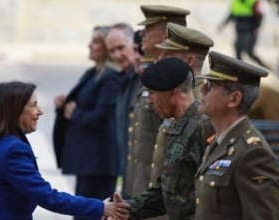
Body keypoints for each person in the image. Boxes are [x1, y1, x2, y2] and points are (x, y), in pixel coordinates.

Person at [0, 81, 130, 220]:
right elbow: (47, 196)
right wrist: (99, 208)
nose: (40, 111)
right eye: (33, 105)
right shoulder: (12, 149)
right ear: (15, 111)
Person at [115, 57, 215, 220]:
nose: (150, 100)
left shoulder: (203, 127)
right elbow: (166, 191)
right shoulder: (177, 127)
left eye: (153, 93)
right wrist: (130, 208)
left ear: (172, 93)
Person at [195, 51, 279, 220]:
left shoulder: (252, 154)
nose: (202, 89)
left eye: (211, 85)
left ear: (234, 99)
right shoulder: (220, 141)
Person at [52, 26, 122, 220]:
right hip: (88, 162)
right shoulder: (93, 73)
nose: (89, 45)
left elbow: (101, 116)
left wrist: (74, 113)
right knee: (83, 211)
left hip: (99, 163)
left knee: (91, 213)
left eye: (96, 42)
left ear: (107, 48)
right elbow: (81, 104)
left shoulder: (111, 77)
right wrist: (63, 105)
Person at [124, 6, 190, 206]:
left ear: (164, 36)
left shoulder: (181, 81)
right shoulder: (154, 74)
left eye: (148, 29)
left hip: (161, 198)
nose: (141, 34)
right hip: (142, 191)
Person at [148, 22, 214, 192]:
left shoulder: (202, 102)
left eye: (168, 54)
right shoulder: (172, 92)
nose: (161, 58)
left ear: (190, 61)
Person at [105, 22, 139, 185]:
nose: (117, 55)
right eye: (112, 51)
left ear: (133, 44)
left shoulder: (144, 80)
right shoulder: (123, 79)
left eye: (121, 48)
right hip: (127, 175)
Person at [217, 0, 269, 69]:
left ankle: (265, 67)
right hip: (239, 30)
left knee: (248, 51)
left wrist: (257, 28)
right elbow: (231, 15)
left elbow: (260, 15)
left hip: (250, 30)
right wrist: (223, 25)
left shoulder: (253, 1)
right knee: (237, 49)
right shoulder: (236, 2)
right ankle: (240, 69)